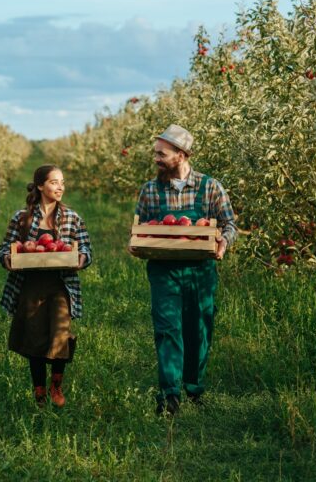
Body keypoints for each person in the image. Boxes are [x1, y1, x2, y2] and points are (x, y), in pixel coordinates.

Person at [129, 124, 237, 415]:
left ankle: (194, 386)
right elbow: (140, 228)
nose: (156, 159)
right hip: (164, 270)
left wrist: (223, 244)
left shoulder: (209, 187)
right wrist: (136, 244)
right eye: (156, 153)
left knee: (199, 330)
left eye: (162, 154)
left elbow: (229, 224)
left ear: (182, 154)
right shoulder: (151, 191)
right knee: (167, 329)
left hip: (200, 271)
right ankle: (170, 393)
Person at [0, 165, 92, 408]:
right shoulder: (22, 218)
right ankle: (39, 389)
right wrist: (8, 259)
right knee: (34, 337)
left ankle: (56, 386)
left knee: (60, 335)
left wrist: (81, 259)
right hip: (29, 285)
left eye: (62, 182)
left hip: (60, 285)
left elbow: (85, 249)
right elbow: (4, 249)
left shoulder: (72, 218)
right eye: (54, 182)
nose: (60, 186)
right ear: (40, 186)